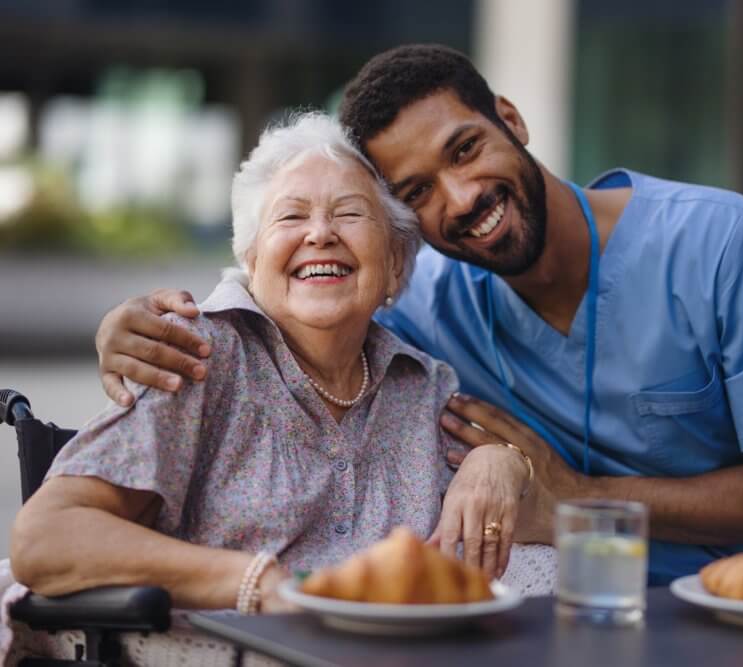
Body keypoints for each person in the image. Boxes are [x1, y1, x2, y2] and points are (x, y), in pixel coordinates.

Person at [93, 45, 743, 618]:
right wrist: (138, 323)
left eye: (465, 149)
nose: (459, 200)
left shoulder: (719, 241)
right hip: (604, 623)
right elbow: (303, 279)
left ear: (511, 122)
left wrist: (574, 495)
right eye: (413, 194)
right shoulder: (426, 297)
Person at [8, 112, 542, 621]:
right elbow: (46, 538)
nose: (320, 234)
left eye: (350, 213)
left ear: (396, 263)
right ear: (252, 257)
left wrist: (504, 460)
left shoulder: (427, 387)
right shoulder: (196, 356)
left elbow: (512, 548)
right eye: (291, 215)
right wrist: (260, 583)